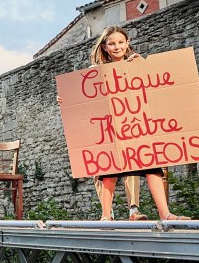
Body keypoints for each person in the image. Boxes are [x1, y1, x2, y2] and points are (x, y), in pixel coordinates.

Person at [61, 27, 189, 221]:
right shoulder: (95, 72)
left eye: (121, 42)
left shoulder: (137, 63)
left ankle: (166, 213)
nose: (117, 46)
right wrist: (66, 100)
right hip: (111, 128)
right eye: (111, 43)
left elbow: (154, 87)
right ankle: (106, 215)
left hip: (136, 125)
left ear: (127, 43)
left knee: (152, 167)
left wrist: (140, 67)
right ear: (104, 47)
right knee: (109, 171)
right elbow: (82, 96)